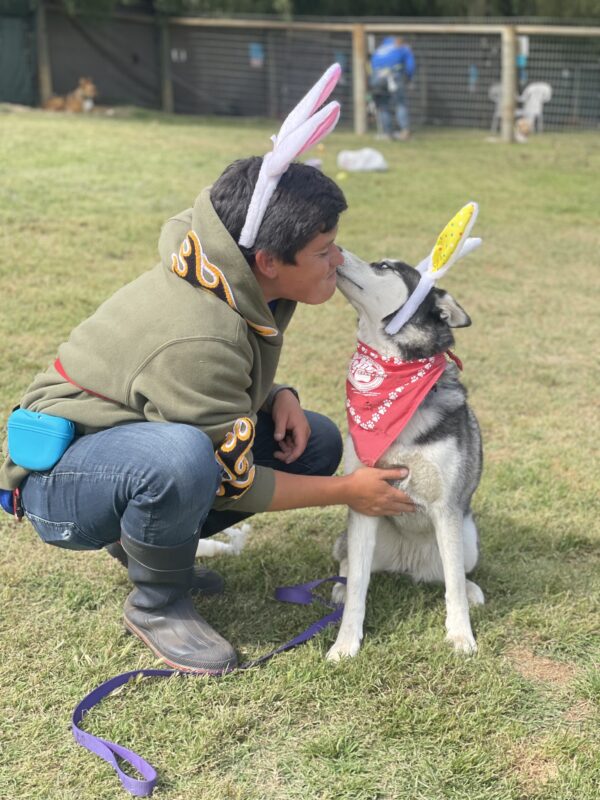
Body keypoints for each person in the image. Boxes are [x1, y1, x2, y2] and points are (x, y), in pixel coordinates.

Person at [0, 70, 414, 676]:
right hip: (56, 484)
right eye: (325, 251)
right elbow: (232, 478)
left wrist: (277, 396)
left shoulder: (232, 273)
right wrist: (348, 492)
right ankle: (158, 603)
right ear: (269, 261)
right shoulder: (201, 329)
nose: (340, 261)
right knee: (182, 459)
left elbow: (190, 388)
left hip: (116, 446)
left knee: (315, 439)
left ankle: (147, 540)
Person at [369, 35, 416, 141]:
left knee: (383, 105)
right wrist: (409, 79)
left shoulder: (380, 49)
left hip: (377, 77)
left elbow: (372, 65)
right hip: (393, 76)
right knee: (400, 103)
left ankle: (387, 134)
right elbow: (410, 66)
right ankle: (405, 132)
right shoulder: (403, 47)